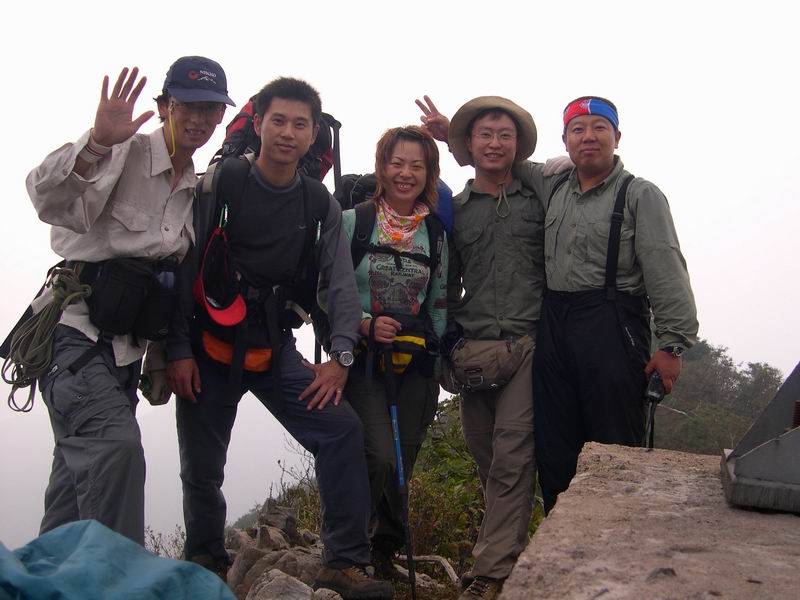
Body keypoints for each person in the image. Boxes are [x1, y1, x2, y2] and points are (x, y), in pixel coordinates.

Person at [164, 77, 393, 600]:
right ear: (259, 125)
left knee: (340, 430)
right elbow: (186, 264)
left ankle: (344, 562)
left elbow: (339, 284)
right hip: (207, 346)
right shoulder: (224, 183)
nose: (288, 133)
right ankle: (205, 560)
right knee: (202, 467)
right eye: (279, 121)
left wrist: (340, 358)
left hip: (273, 348)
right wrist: (177, 349)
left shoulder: (317, 203)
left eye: (300, 124)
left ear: (313, 136)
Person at [22, 57, 234, 545]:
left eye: (211, 109)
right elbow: (46, 198)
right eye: (188, 106)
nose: (199, 119)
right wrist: (96, 142)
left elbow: (167, 282)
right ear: (165, 106)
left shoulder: (193, 187)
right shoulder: (125, 152)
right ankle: (117, 578)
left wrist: (163, 356)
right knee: (117, 453)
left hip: (124, 354)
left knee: (74, 490)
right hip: (74, 339)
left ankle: (48, 576)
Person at [523, 96, 699, 513]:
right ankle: (560, 540)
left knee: (613, 446)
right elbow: (502, 157)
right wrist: (451, 134)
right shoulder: (553, 185)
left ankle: (615, 533)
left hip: (612, 325)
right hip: (554, 324)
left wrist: (672, 346)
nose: (588, 137)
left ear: (616, 137)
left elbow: (665, 265)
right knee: (555, 447)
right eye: (578, 129)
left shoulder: (639, 194)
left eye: (599, 127)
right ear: (565, 141)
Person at [416, 96, 548, 600]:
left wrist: (455, 131)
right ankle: (518, 550)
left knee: (513, 456)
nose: (495, 144)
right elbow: (444, 282)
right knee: (487, 459)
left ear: (518, 145)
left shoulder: (540, 198)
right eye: (484, 135)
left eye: (504, 135)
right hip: (473, 351)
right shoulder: (454, 209)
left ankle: (490, 574)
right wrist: (446, 343)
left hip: (529, 345)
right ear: (469, 145)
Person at [334, 126, 447, 579]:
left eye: (417, 166)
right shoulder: (353, 222)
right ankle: (350, 548)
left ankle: (384, 551)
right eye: (397, 163)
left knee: (404, 463)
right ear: (382, 167)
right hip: (365, 362)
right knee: (378, 454)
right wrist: (364, 322)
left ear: (429, 173)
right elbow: (329, 290)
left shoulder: (434, 233)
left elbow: (438, 301)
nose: (406, 173)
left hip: (416, 365)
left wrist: (437, 361)